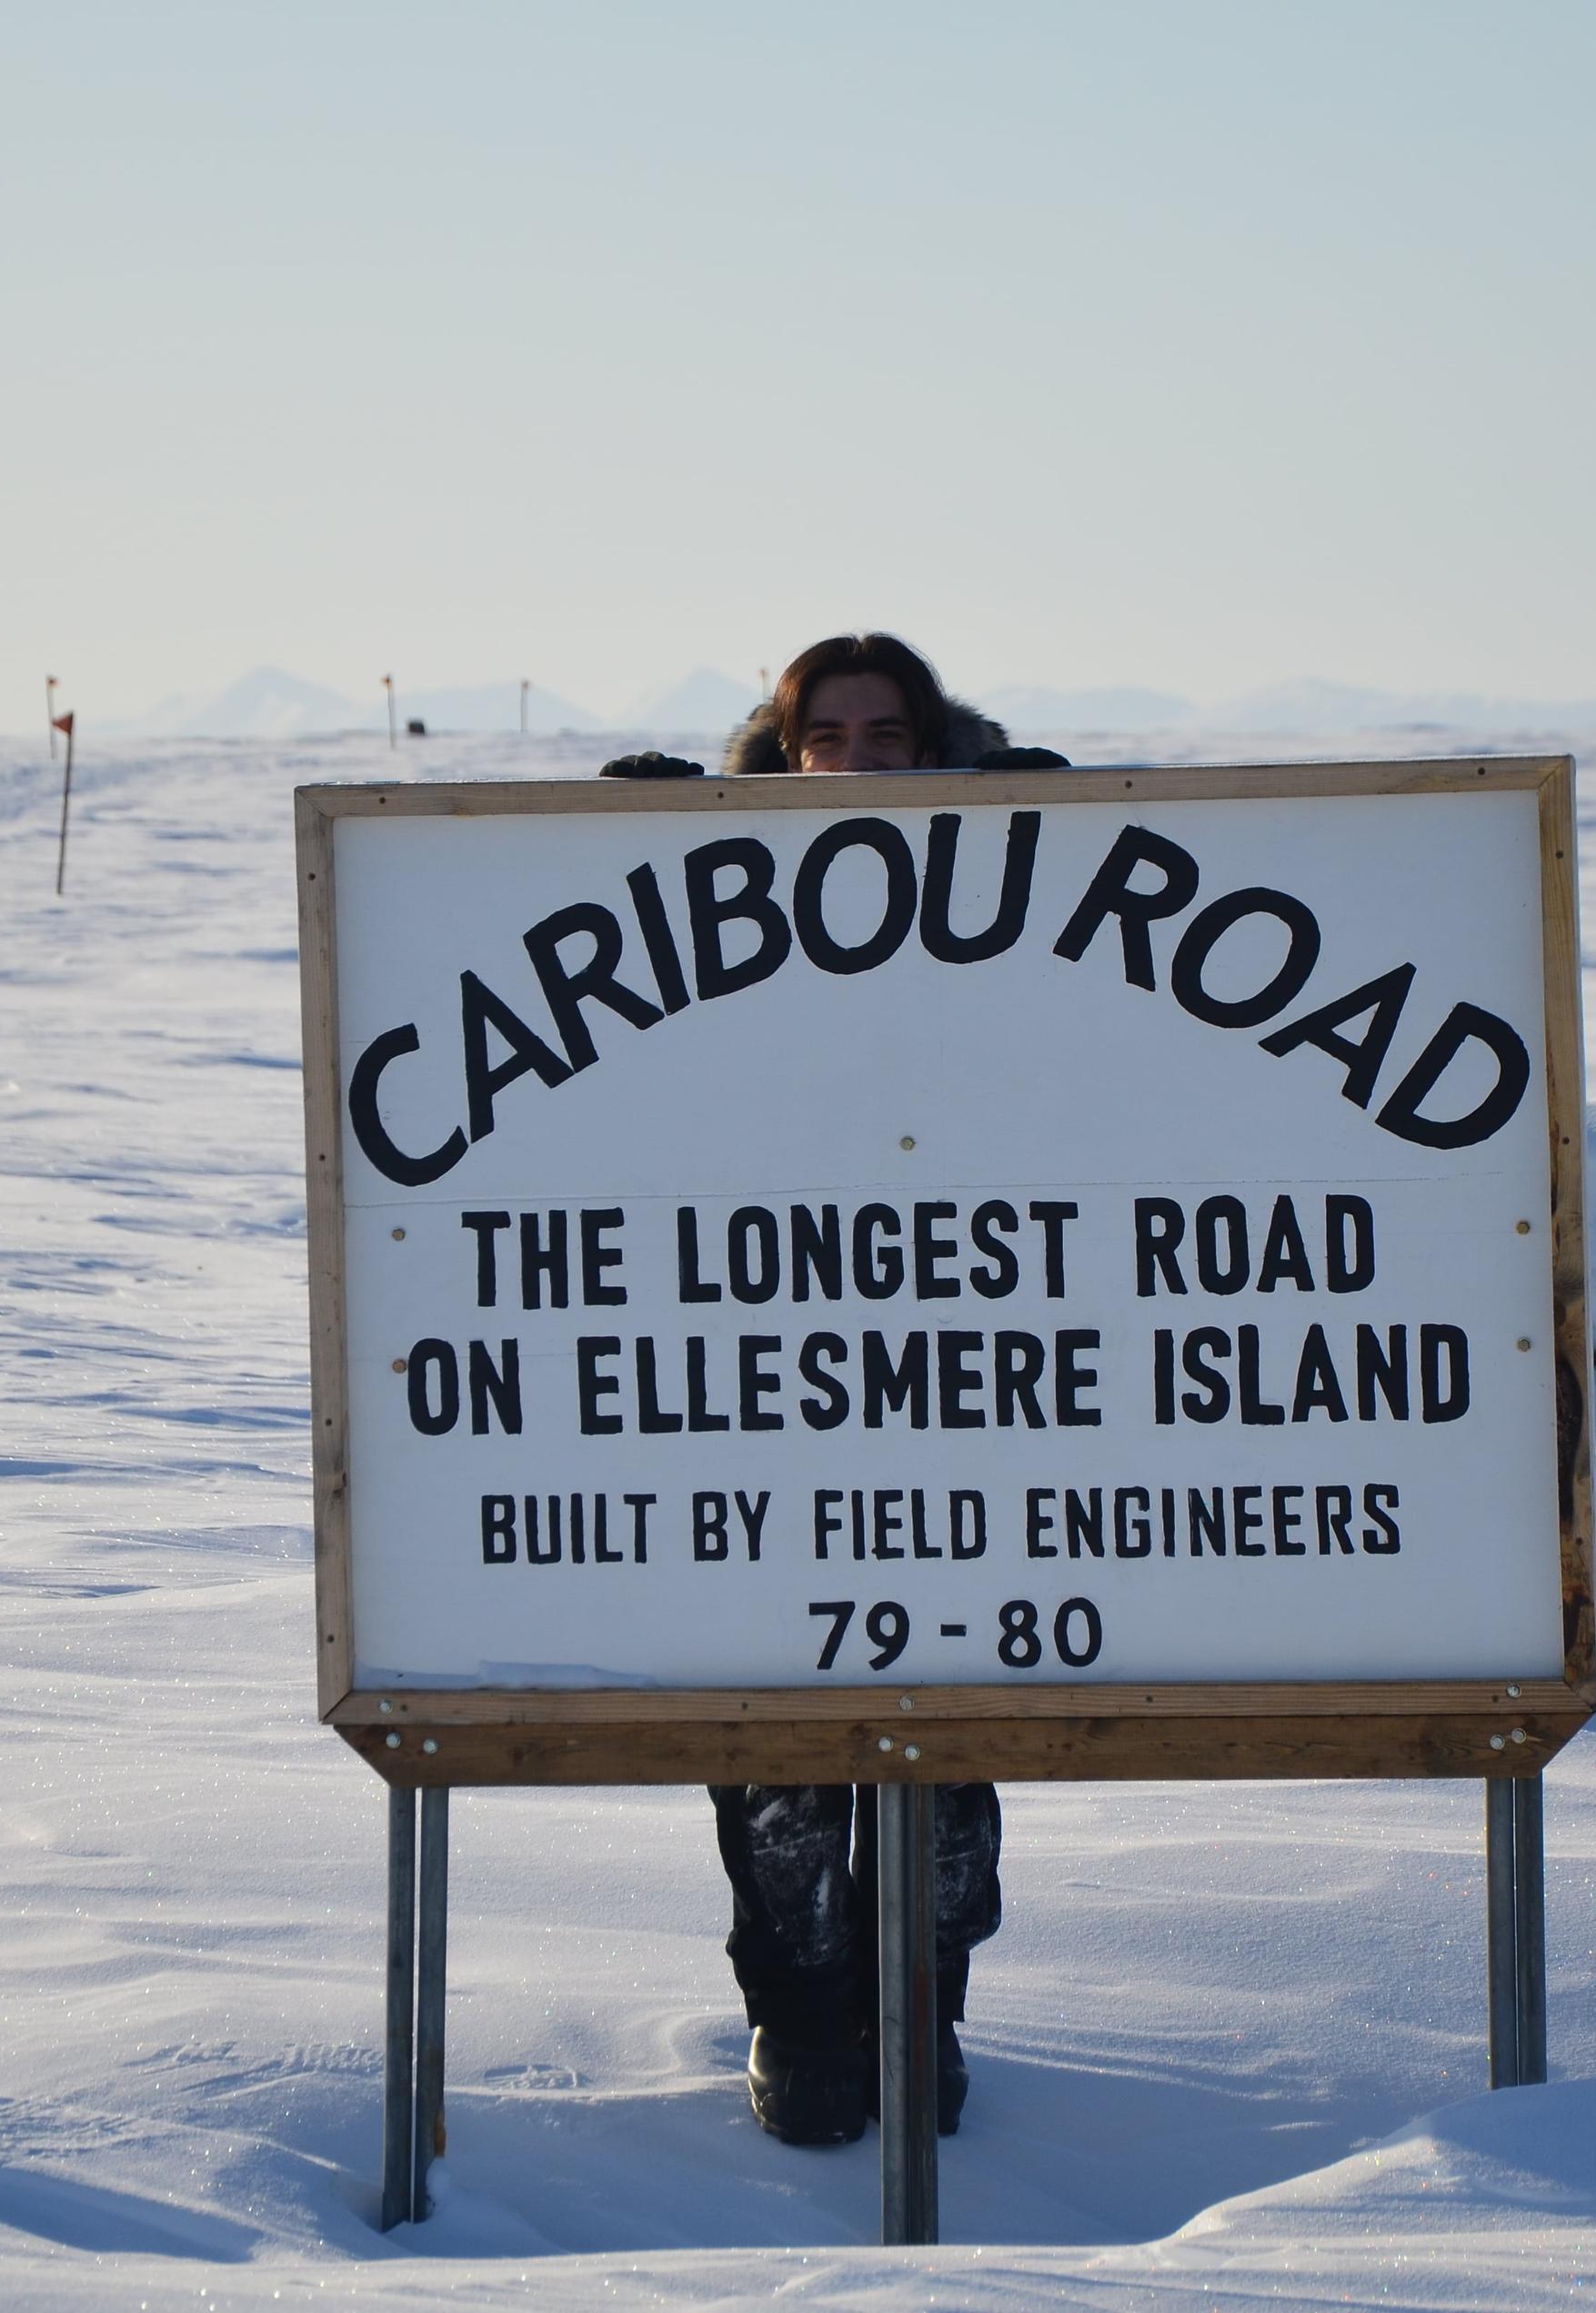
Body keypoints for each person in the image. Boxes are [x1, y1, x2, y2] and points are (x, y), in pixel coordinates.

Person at [601, 634, 1065, 2145]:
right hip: (766, 1381)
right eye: (826, 735)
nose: (858, 761)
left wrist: (1076, 825)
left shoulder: (1020, 880)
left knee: (954, 1730)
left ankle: (924, 2006)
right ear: (783, 753)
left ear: (937, 743)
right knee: (781, 1751)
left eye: (889, 731)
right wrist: (610, 854)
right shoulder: (724, 887)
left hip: (973, 1382)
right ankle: (801, 2017)